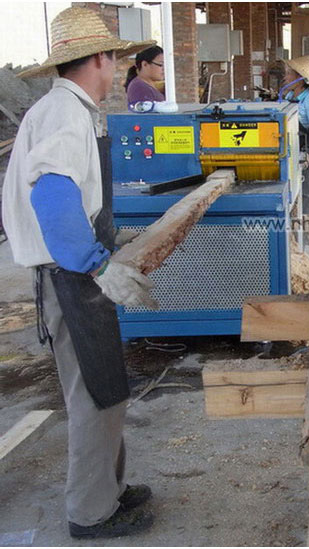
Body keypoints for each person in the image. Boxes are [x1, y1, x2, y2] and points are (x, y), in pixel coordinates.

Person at [2, 7, 158, 539]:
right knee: (95, 395)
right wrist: (96, 263)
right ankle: (91, 512)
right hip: (70, 279)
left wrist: (108, 244)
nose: (116, 72)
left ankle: (107, 490)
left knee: (106, 389)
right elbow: (52, 194)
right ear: (99, 58)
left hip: (73, 275)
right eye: (114, 60)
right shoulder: (65, 115)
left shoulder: (62, 109)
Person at [280, 56, 309, 215]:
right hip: (291, 151)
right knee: (290, 196)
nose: (285, 77)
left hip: (306, 153)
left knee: (304, 196)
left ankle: (305, 234)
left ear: (300, 78)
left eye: (288, 74)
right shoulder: (289, 97)